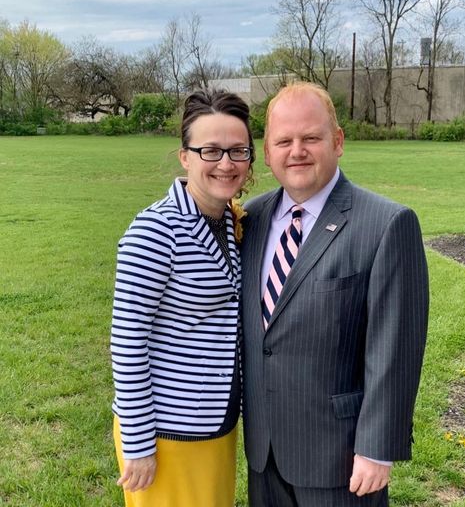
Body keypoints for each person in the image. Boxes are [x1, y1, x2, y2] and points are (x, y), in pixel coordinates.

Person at [240, 82, 429, 507]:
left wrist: (377, 446)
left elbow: (396, 347)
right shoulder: (249, 219)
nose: (297, 151)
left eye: (311, 138)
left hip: (340, 459)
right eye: (283, 141)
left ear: (338, 141)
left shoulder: (386, 224)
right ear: (267, 152)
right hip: (264, 453)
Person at [110, 88, 254, 507]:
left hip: (217, 425)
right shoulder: (154, 232)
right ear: (185, 157)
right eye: (210, 150)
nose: (225, 163)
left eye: (237, 150)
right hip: (166, 434)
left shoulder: (230, 220)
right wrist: (137, 442)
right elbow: (127, 341)